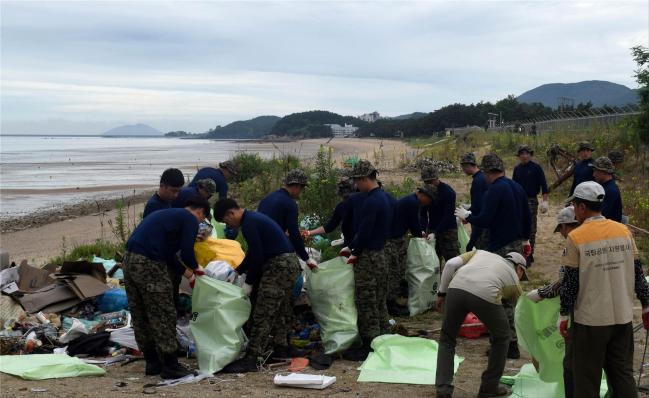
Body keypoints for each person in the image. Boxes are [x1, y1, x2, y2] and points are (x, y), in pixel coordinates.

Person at [559, 181, 649, 397]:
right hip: (622, 316)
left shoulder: (576, 237)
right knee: (622, 374)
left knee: (586, 379)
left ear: (581, 207)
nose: (574, 211)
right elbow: (638, 273)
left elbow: (570, 283)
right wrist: (646, 305)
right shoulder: (623, 231)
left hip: (591, 321)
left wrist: (563, 316)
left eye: (574, 207)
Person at [123, 197, 210, 379]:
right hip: (149, 263)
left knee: (141, 312)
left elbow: (170, 255)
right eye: (202, 220)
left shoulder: (169, 216)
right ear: (200, 212)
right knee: (163, 311)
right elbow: (187, 251)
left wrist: (190, 275)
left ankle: (152, 361)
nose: (200, 225)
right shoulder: (189, 219)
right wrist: (197, 267)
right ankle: (170, 365)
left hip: (129, 259)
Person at [213, 198, 302, 372]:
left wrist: (249, 283)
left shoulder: (248, 223)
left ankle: (252, 357)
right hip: (290, 263)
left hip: (278, 266)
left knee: (264, 311)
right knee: (282, 308)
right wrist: (238, 271)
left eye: (226, 221)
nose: (229, 225)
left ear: (231, 213)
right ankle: (281, 347)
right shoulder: (254, 218)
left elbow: (258, 256)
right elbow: (254, 252)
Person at [455, 154, 528, 358]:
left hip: (500, 247)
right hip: (516, 244)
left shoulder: (494, 190)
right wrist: (526, 240)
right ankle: (512, 340)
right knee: (512, 295)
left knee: (500, 297)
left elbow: (485, 220)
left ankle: (507, 344)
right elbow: (527, 216)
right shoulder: (517, 187)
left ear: (487, 172)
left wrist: (468, 217)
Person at [435, 250, 528, 398]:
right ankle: (489, 388)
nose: (521, 278)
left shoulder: (479, 253)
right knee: (502, 337)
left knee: (447, 338)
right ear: (519, 269)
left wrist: (441, 293)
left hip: (456, 288)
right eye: (522, 275)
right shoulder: (514, 281)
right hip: (485, 294)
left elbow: (450, 264)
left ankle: (443, 390)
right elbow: (523, 312)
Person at [525, 206, 580, 398]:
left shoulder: (575, 243)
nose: (562, 235)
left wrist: (543, 293)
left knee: (572, 363)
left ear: (567, 225)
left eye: (562, 229)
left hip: (580, 311)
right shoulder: (599, 237)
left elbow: (567, 280)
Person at [342, 160, 393, 361]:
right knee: (380, 300)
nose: (356, 186)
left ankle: (369, 344)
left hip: (369, 257)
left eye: (357, 181)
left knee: (366, 301)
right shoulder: (386, 197)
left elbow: (364, 230)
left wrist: (353, 250)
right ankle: (383, 337)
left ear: (364, 179)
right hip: (381, 253)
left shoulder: (371, 200)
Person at [385, 184, 437, 316]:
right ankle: (390, 303)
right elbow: (414, 224)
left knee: (400, 268)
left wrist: (420, 233)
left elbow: (413, 224)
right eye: (429, 200)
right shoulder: (412, 203)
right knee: (394, 271)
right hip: (392, 239)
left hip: (396, 237)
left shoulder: (411, 201)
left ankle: (397, 297)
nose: (428, 203)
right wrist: (421, 236)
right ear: (423, 195)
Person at [257, 169, 318, 270]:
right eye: (301, 189)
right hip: (272, 252)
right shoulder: (290, 204)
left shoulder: (266, 199)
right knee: (292, 271)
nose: (300, 193)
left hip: (257, 248)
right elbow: (294, 233)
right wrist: (306, 258)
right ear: (296, 186)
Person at [512, 145, 549, 264]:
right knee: (519, 227)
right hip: (519, 200)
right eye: (522, 154)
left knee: (531, 228)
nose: (524, 156)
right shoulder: (517, 169)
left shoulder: (536, 168)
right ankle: (521, 251)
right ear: (519, 156)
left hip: (531, 200)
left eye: (526, 153)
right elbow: (513, 186)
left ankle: (529, 254)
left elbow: (544, 185)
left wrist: (545, 201)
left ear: (530, 155)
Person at [421, 166, 460, 264]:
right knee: (432, 261)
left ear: (436, 179)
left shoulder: (448, 193)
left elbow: (448, 216)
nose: (428, 184)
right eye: (426, 182)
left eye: (431, 182)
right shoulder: (425, 192)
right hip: (432, 228)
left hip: (448, 230)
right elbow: (422, 213)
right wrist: (423, 229)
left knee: (453, 261)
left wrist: (436, 233)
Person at [304, 178, 355, 246]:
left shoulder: (342, 206)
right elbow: (330, 226)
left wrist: (309, 232)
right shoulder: (342, 206)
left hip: (354, 244)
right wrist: (308, 232)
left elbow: (330, 226)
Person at [460, 153, 489, 251]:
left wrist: (467, 216)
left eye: (463, 167)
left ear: (468, 165)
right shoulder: (482, 177)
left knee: (480, 250)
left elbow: (478, 207)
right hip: (486, 219)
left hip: (480, 222)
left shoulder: (478, 180)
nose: (463, 170)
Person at [590, 156, 622, 222]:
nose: (594, 175)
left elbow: (600, 216)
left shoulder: (611, 190)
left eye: (596, 171)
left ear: (604, 172)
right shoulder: (604, 187)